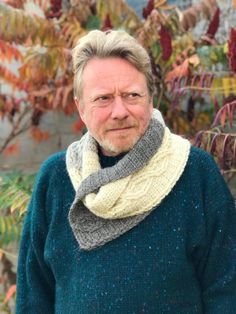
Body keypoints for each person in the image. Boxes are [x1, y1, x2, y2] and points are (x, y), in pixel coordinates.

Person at [16, 29, 236, 313]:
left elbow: (226, 290)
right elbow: (33, 298)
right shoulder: (56, 179)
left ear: (149, 100)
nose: (119, 111)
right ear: (80, 108)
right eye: (103, 98)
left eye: (132, 95)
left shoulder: (195, 173)